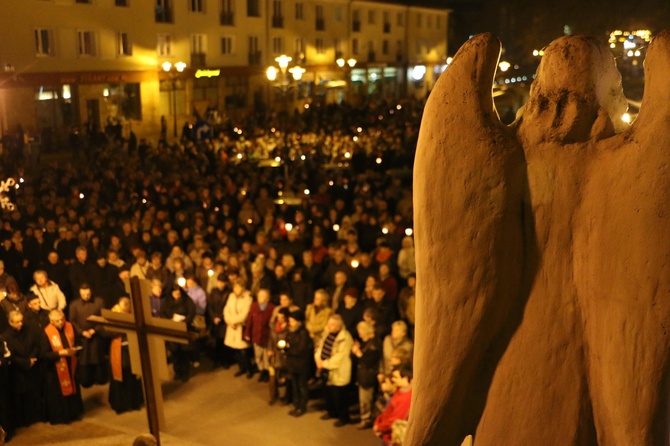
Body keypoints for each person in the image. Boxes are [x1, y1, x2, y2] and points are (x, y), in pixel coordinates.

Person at [39, 309, 84, 424]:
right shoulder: (46, 333)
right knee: (59, 394)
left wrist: (76, 349)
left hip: (71, 364)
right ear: (52, 322)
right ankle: (62, 417)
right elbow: (44, 354)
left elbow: (78, 342)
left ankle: (74, 413)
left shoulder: (70, 326)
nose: (61, 323)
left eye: (62, 319)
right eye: (57, 321)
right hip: (55, 369)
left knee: (73, 389)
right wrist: (61, 353)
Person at [4, 310, 43, 429]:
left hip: (32, 367)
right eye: (16, 322)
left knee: (33, 393)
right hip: (18, 371)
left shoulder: (29, 331)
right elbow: (11, 355)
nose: (19, 324)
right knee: (21, 396)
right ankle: (23, 420)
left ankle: (35, 416)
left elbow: (36, 345)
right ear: (10, 322)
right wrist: (26, 362)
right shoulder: (6, 336)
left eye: (21, 321)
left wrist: (32, 358)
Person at [314, 314, 354, 427]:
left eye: (332, 325)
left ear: (338, 327)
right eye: (329, 323)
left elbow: (340, 358)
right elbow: (320, 346)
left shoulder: (345, 338)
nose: (329, 326)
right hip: (326, 370)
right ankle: (331, 412)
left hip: (339, 373)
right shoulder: (327, 332)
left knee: (340, 397)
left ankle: (343, 417)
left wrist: (324, 363)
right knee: (328, 394)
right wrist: (318, 358)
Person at [108, 297, 144, 414]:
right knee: (120, 376)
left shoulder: (133, 314)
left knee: (133, 374)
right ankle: (120, 405)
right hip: (118, 348)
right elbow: (108, 331)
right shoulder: (113, 315)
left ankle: (134, 402)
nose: (125, 312)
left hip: (131, 347)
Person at [68, 283, 107, 388]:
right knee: (84, 359)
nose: (86, 296)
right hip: (83, 336)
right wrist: (82, 332)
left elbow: (103, 318)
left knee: (98, 357)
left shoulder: (99, 302)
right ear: (80, 293)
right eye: (83, 294)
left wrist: (94, 330)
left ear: (91, 292)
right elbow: (72, 321)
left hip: (96, 334)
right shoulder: (74, 304)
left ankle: (100, 379)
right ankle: (86, 380)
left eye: (88, 294)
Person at [160, 284, 196, 382]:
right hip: (172, 331)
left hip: (184, 329)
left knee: (184, 352)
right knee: (175, 353)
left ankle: (185, 373)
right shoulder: (166, 302)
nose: (177, 295)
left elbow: (191, 312)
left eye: (178, 293)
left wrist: (184, 322)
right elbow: (162, 314)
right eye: (175, 293)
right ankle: (178, 372)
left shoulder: (186, 300)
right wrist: (170, 321)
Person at [351, 320, 381, 429]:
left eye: (360, 331)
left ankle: (366, 419)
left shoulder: (373, 345)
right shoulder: (368, 342)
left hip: (367, 377)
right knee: (363, 399)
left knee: (366, 400)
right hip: (363, 376)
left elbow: (368, 361)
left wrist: (358, 353)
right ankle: (364, 416)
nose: (359, 334)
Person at [373, 365, 413, 445]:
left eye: (396, 377)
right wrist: (378, 422)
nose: (393, 379)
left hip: (393, 439)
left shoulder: (406, 398)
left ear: (405, 379)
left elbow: (395, 420)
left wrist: (379, 427)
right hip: (388, 434)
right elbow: (387, 411)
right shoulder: (400, 391)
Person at [243, 288, 275, 382]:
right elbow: (250, 320)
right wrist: (247, 332)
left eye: (263, 296)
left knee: (266, 355)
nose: (261, 298)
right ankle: (261, 370)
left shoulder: (272, 308)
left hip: (267, 336)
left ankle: (266, 371)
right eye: (259, 296)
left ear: (268, 298)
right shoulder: (254, 306)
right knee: (258, 355)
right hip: (256, 335)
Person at [284, 309, 312, 417]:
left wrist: (288, 350)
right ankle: (296, 405)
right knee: (294, 385)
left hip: (301, 364)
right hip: (292, 363)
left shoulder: (303, 333)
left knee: (302, 386)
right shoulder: (290, 331)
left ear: (298, 321)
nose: (290, 322)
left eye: (292, 320)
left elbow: (301, 349)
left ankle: (302, 406)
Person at [223, 279, 253, 378]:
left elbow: (244, 314)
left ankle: (248, 368)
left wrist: (233, 321)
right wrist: (229, 321)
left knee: (243, 350)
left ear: (243, 288)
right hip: (232, 327)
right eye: (234, 287)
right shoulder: (231, 296)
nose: (235, 289)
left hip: (240, 327)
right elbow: (226, 309)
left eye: (237, 287)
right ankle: (241, 367)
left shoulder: (248, 298)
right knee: (236, 349)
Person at [267, 307, 290, 405]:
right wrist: (269, 349)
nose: (280, 319)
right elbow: (270, 339)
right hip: (273, 356)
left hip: (283, 357)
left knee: (283, 377)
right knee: (272, 377)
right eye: (278, 317)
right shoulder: (273, 326)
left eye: (282, 317)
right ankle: (273, 396)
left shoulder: (288, 328)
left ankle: (284, 397)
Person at [207, 273, 230, 368]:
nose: (221, 284)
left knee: (224, 342)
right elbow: (210, 306)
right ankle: (217, 361)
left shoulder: (229, 293)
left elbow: (228, 307)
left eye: (223, 282)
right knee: (215, 342)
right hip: (215, 321)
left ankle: (225, 361)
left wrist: (220, 317)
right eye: (220, 282)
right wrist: (213, 317)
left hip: (223, 320)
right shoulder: (213, 291)